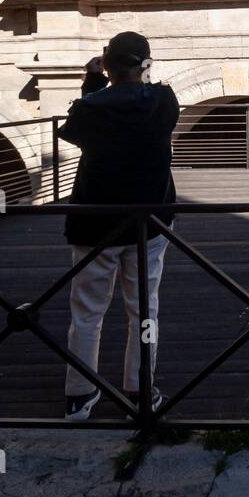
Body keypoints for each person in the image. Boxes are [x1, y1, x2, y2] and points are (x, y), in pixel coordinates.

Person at [57, 31, 179, 421]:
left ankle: (79, 395)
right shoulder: (164, 101)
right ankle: (140, 391)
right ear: (145, 65)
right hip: (149, 221)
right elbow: (147, 99)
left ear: (107, 65)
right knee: (144, 309)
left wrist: (93, 82)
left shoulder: (91, 109)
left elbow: (73, 130)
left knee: (87, 312)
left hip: (94, 221)